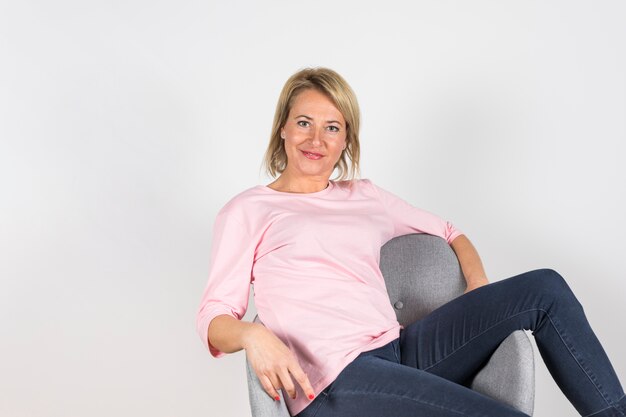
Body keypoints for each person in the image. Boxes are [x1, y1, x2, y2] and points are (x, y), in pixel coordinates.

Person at [196, 67, 625, 417]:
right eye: (304, 123)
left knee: (545, 288)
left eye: (332, 128)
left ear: (346, 140)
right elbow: (215, 318)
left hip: (399, 350)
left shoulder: (364, 196)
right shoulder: (247, 210)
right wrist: (253, 335)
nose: (316, 140)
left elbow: (450, 232)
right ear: (284, 129)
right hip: (331, 382)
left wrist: (478, 286)